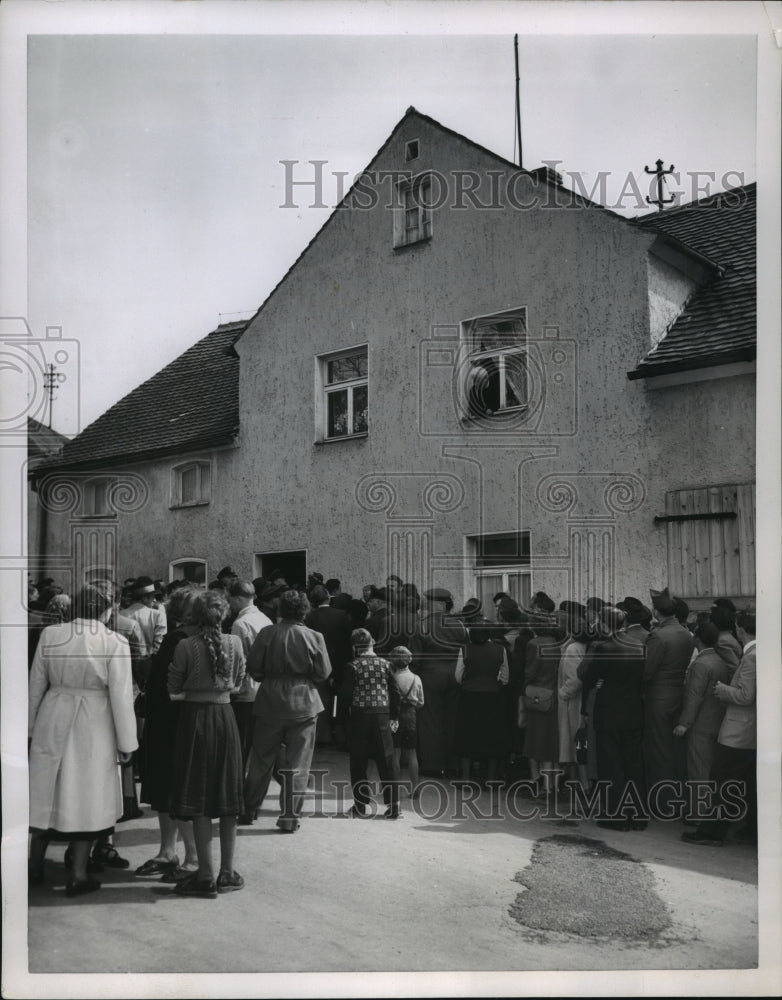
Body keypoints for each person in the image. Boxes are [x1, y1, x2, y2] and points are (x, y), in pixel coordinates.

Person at [28, 583, 138, 896]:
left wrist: (30, 728)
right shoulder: (114, 641)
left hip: (53, 712)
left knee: (46, 790)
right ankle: (77, 874)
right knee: (88, 795)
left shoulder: (51, 635)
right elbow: (121, 696)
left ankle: (34, 865)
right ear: (107, 610)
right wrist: (127, 742)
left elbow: (36, 684)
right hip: (95, 722)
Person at [167, 590, 246, 897]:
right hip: (225, 718)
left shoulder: (185, 645)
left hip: (195, 721)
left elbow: (173, 689)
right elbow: (239, 684)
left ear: (194, 615)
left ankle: (205, 875)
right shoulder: (235, 643)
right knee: (227, 797)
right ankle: (227, 873)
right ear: (224, 615)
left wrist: (194, 690)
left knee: (199, 797)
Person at [242, 590, 332, 831]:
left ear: (280, 609)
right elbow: (323, 673)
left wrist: (270, 677)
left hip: (269, 701)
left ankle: (248, 809)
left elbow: (254, 668)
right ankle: (290, 818)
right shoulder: (314, 636)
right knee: (298, 765)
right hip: (304, 702)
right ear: (304, 610)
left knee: (261, 760)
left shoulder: (267, 633)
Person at [135, 585, 200, 882]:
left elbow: (162, 683)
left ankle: (190, 858)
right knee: (172, 790)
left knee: (172, 789)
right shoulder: (207, 636)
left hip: (169, 723)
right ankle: (169, 852)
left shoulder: (178, 638)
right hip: (186, 719)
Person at [682, 610, 757, 846]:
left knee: (723, 782)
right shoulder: (756, 653)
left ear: (740, 629)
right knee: (747, 784)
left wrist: (724, 690)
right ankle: (751, 828)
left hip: (739, 731)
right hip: (749, 731)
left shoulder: (752, 657)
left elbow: (745, 696)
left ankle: (711, 833)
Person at [580, 607, 647, 830]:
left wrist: (599, 682)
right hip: (633, 709)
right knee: (634, 764)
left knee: (611, 765)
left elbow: (588, 678)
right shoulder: (638, 645)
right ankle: (638, 815)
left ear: (604, 623)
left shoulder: (605, 647)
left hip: (609, 711)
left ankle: (616, 815)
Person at [643, 587, 694, 816]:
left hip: (658, 697)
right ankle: (679, 799)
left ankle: (663, 803)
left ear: (656, 611)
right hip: (678, 694)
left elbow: (647, 670)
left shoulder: (658, 636)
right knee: (676, 750)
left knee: (659, 750)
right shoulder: (685, 633)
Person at [341, 629, 401, 817]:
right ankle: (394, 805)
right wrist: (394, 717)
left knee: (358, 761)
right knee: (387, 760)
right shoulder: (386, 664)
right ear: (372, 641)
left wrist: (343, 720)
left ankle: (360, 805)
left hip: (359, 716)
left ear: (354, 647)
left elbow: (345, 695)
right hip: (382, 714)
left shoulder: (352, 666)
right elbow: (395, 693)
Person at [409, 588, 468, 776]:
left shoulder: (421, 626)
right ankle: (452, 764)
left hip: (430, 677)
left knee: (430, 721)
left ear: (435, 603)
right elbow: (465, 652)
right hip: (455, 675)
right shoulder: (460, 626)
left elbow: (415, 659)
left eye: (427, 600)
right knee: (452, 720)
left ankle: (432, 765)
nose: (424, 603)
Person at [673, 622, 730, 811]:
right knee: (709, 769)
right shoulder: (719, 660)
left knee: (698, 770)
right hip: (717, 720)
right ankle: (707, 810)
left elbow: (694, 696)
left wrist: (684, 723)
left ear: (697, 639)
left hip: (700, 724)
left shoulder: (700, 664)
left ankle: (699, 814)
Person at [454, 623, 509, 784]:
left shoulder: (465, 649)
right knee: (492, 736)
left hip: (469, 696)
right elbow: (505, 678)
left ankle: (465, 777)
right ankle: (490, 777)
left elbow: (458, 676)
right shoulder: (500, 649)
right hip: (493, 696)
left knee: (467, 736)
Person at [228, 580, 273, 774]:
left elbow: (237, 660)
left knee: (242, 743)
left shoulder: (240, 623)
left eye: (231, 599)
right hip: (265, 688)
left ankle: (238, 782)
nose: (229, 603)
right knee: (262, 743)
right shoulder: (265, 619)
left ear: (238, 598)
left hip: (246, 689)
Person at [521, 607, 565, 800]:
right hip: (553, 695)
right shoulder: (556, 642)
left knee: (535, 741)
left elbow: (530, 671)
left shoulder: (533, 644)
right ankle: (551, 785)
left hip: (536, 695)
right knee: (550, 742)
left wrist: (523, 688)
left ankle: (540, 783)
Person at [304, 584, 353, 744]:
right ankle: (340, 736)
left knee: (321, 700)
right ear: (328, 598)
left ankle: (322, 735)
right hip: (339, 662)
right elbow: (347, 643)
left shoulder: (310, 617)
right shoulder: (341, 615)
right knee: (340, 701)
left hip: (317, 664)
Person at [556, 601, 589, 788]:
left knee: (575, 742)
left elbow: (575, 680)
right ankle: (578, 781)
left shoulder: (572, 649)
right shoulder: (586, 646)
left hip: (574, 703)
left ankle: (581, 783)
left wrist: (562, 693)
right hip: (583, 700)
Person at [388, 646, 424, 798]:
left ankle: (394, 790)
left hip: (395, 718)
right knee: (412, 753)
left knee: (395, 753)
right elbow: (421, 702)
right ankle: (415, 789)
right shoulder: (416, 678)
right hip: (410, 718)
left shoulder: (391, 678)